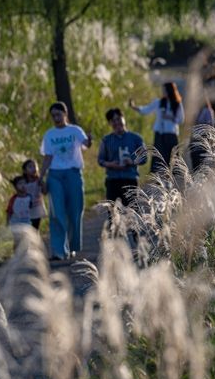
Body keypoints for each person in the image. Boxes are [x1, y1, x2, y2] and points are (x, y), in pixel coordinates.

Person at [39, 101, 92, 261]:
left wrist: (89, 140)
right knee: (56, 212)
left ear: (65, 114)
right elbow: (48, 157)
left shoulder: (75, 130)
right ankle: (58, 250)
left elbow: (86, 144)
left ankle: (72, 245)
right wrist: (40, 177)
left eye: (58, 114)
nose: (56, 118)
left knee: (75, 210)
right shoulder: (49, 134)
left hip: (73, 173)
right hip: (55, 175)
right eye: (53, 115)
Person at [129, 82, 185, 173]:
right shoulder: (159, 102)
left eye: (165, 90)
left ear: (170, 91)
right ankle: (158, 177)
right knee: (158, 157)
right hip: (160, 134)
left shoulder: (177, 104)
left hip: (171, 135)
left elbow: (181, 119)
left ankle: (169, 176)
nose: (163, 92)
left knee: (171, 157)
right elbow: (146, 109)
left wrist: (170, 117)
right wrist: (134, 107)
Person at [97, 108, 146, 206]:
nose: (116, 122)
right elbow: (100, 160)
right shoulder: (106, 140)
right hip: (112, 181)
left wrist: (132, 162)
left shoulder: (136, 138)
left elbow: (144, 158)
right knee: (112, 212)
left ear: (124, 118)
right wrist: (110, 164)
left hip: (130, 180)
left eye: (118, 119)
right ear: (110, 123)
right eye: (113, 121)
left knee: (132, 211)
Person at [190, 97, 215, 172]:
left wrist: (199, 124)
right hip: (194, 137)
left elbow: (210, 125)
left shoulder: (208, 111)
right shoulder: (196, 111)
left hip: (203, 138)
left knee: (201, 160)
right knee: (194, 159)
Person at [22, 159, 47, 230]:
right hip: (26, 210)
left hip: (37, 209)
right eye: (30, 167)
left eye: (35, 166)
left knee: (35, 228)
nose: (34, 168)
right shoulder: (23, 183)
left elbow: (45, 192)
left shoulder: (38, 181)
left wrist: (42, 184)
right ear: (25, 171)